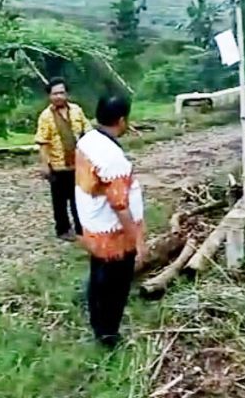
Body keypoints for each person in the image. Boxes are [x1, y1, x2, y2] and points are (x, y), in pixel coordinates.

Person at [74, 96, 147, 348]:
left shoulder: (87, 140)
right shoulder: (111, 157)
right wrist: (137, 241)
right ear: (122, 120)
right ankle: (108, 335)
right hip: (113, 235)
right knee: (115, 287)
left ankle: (98, 325)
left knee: (98, 279)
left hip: (94, 228)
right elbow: (120, 206)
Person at [35, 78, 92, 241]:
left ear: (67, 94)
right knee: (59, 201)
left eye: (61, 92)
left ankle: (81, 227)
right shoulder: (46, 116)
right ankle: (63, 229)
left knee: (79, 198)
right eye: (55, 94)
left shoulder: (76, 111)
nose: (59, 96)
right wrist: (44, 164)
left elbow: (87, 132)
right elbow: (43, 142)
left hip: (78, 163)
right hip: (58, 165)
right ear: (49, 96)